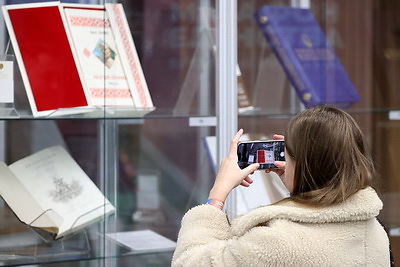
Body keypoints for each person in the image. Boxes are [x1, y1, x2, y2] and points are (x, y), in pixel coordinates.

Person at [172, 106, 391, 266]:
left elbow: (187, 262)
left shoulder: (276, 242)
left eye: (289, 154)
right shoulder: (375, 232)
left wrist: (216, 196)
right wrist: (300, 183)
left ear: (302, 164)